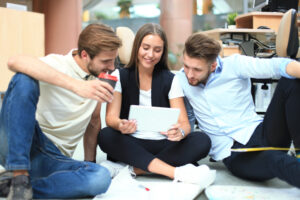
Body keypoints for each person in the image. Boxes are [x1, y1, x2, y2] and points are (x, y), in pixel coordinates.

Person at [0, 23, 122, 199]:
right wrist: (77, 86)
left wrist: (89, 164)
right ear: (85, 55)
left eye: (114, 60)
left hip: (54, 159)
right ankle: (19, 175)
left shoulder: (101, 78)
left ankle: (18, 187)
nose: (112, 67)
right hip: (22, 144)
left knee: (100, 177)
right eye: (105, 61)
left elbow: (94, 121)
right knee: (23, 79)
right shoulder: (58, 64)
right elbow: (14, 61)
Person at [176, 32, 300, 188]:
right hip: (235, 155)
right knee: (279, 161)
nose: (189, 74)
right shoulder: (180, 80)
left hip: (261, 132)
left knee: (291, 80)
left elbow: (280, 65)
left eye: (197, 69)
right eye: (186, 66)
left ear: (213, 65)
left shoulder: (234, 65)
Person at [98, 23, 214, 185]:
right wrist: (120, 125)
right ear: (137, 46)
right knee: (106, 135)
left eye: (157, 50)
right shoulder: (120, 75)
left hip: (163, 144)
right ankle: (174, 171)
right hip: (131, 143)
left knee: (202, 140)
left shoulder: (170, 79)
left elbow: (185, 125)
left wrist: (179, 132)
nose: (150, 54)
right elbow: (111, 117)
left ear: (163, 52)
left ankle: (131, 169)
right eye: (145, 48)